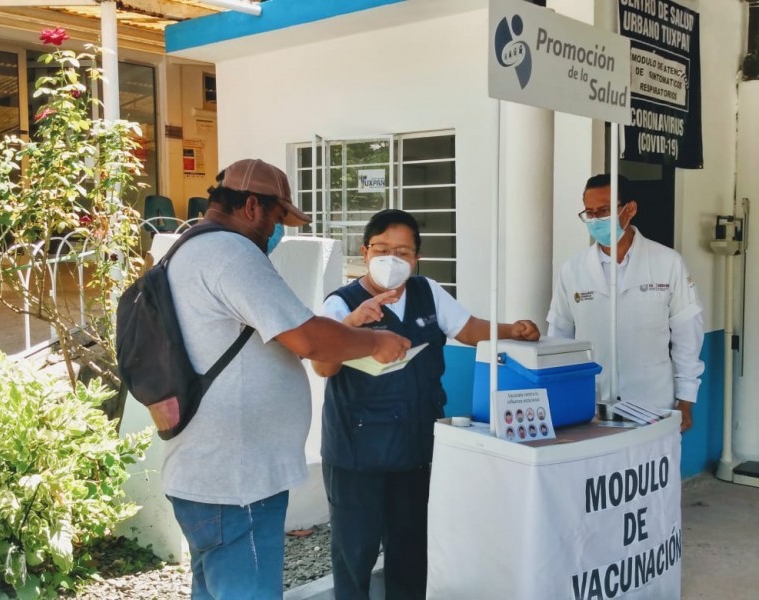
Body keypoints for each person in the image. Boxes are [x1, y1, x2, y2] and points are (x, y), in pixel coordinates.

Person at [162, 159, 411, 599]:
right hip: (238, 482)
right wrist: (374, 343)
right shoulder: (231, 254)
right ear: (253, 206)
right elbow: (309, 338)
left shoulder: (191, 248)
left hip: (210, 473)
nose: (278, 232)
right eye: (278, 219)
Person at [311, 209, 540, 599]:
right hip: (357, 454)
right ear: (364, 252)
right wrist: (350, 324)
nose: (391, 259)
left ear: (416, 258)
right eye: (381, 249)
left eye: (402, 251)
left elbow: (468, 328)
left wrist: (512, 331)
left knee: (411, 548)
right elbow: (323, 367)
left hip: (415, 448)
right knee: (356, 553)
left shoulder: (427, 291)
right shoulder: (340, 303)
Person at [547, 174, 704, 432]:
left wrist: (686, 399)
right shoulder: (573, 270)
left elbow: (688, 333)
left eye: (604, 211)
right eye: (590, 213)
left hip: (652, 401)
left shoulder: (667, 263)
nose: (596, 220)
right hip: (590, 403)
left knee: (651, 470)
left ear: (629, 209)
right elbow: (560, 335)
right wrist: (560, 392)